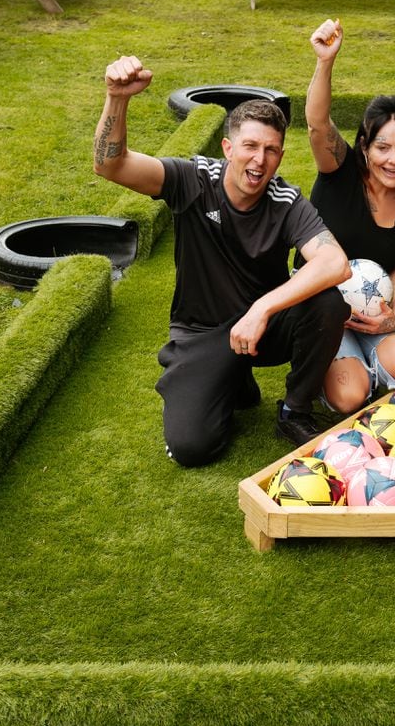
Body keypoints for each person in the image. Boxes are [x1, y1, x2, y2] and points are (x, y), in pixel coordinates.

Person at [93, 55, 350, 466]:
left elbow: (335, 263)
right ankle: (230, 382)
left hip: (261, 328)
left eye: (271, 150)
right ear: (228, 147)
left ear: (280, 156)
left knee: (329, 301)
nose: (259, 160)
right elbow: (110, 164)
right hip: (202, 332)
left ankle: (294, 411)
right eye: (250, 146)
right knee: (191, 448)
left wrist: (262, 308)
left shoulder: (285, 200)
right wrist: (116, 98)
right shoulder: (192, 180)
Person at [305, 18, 395, 414]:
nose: (393, 160)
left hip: (375, 309)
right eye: (382, 147)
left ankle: (372, 354)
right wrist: (325, 62)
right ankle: (347, 364)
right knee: (349, 397)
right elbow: (317, 124)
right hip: (321, 303)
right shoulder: (339, 172)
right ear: (364, 147)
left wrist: (392, 323)